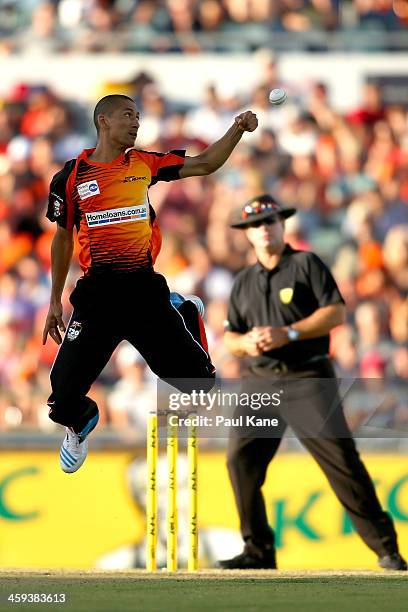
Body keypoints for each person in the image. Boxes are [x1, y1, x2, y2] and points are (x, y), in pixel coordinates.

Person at [42, 93, 257, 473]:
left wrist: (237, 129)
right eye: (128, 115)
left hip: (143, 293)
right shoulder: (72, 176)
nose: (136, 122)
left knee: (201, 387)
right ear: (104, 121)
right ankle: (80, 424)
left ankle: (185, 310)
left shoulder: (144, 163)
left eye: (139, 116)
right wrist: (55, 301)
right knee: (61, 398)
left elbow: (205, 163)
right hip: (97, 298)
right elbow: (62, 238)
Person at [218, 194, 407, 571]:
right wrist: (247, 342)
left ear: (282, 225)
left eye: (270, 221)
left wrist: (288, 333)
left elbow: (335, 312)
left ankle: (387, 550)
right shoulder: (243, 282)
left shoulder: (305, 264)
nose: (264, 229)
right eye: (256, 225)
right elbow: (230, 337)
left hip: (307, 377)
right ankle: (258, 549)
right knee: (240, 462)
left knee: (342, 464)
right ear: (248, 235)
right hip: (260, 382)